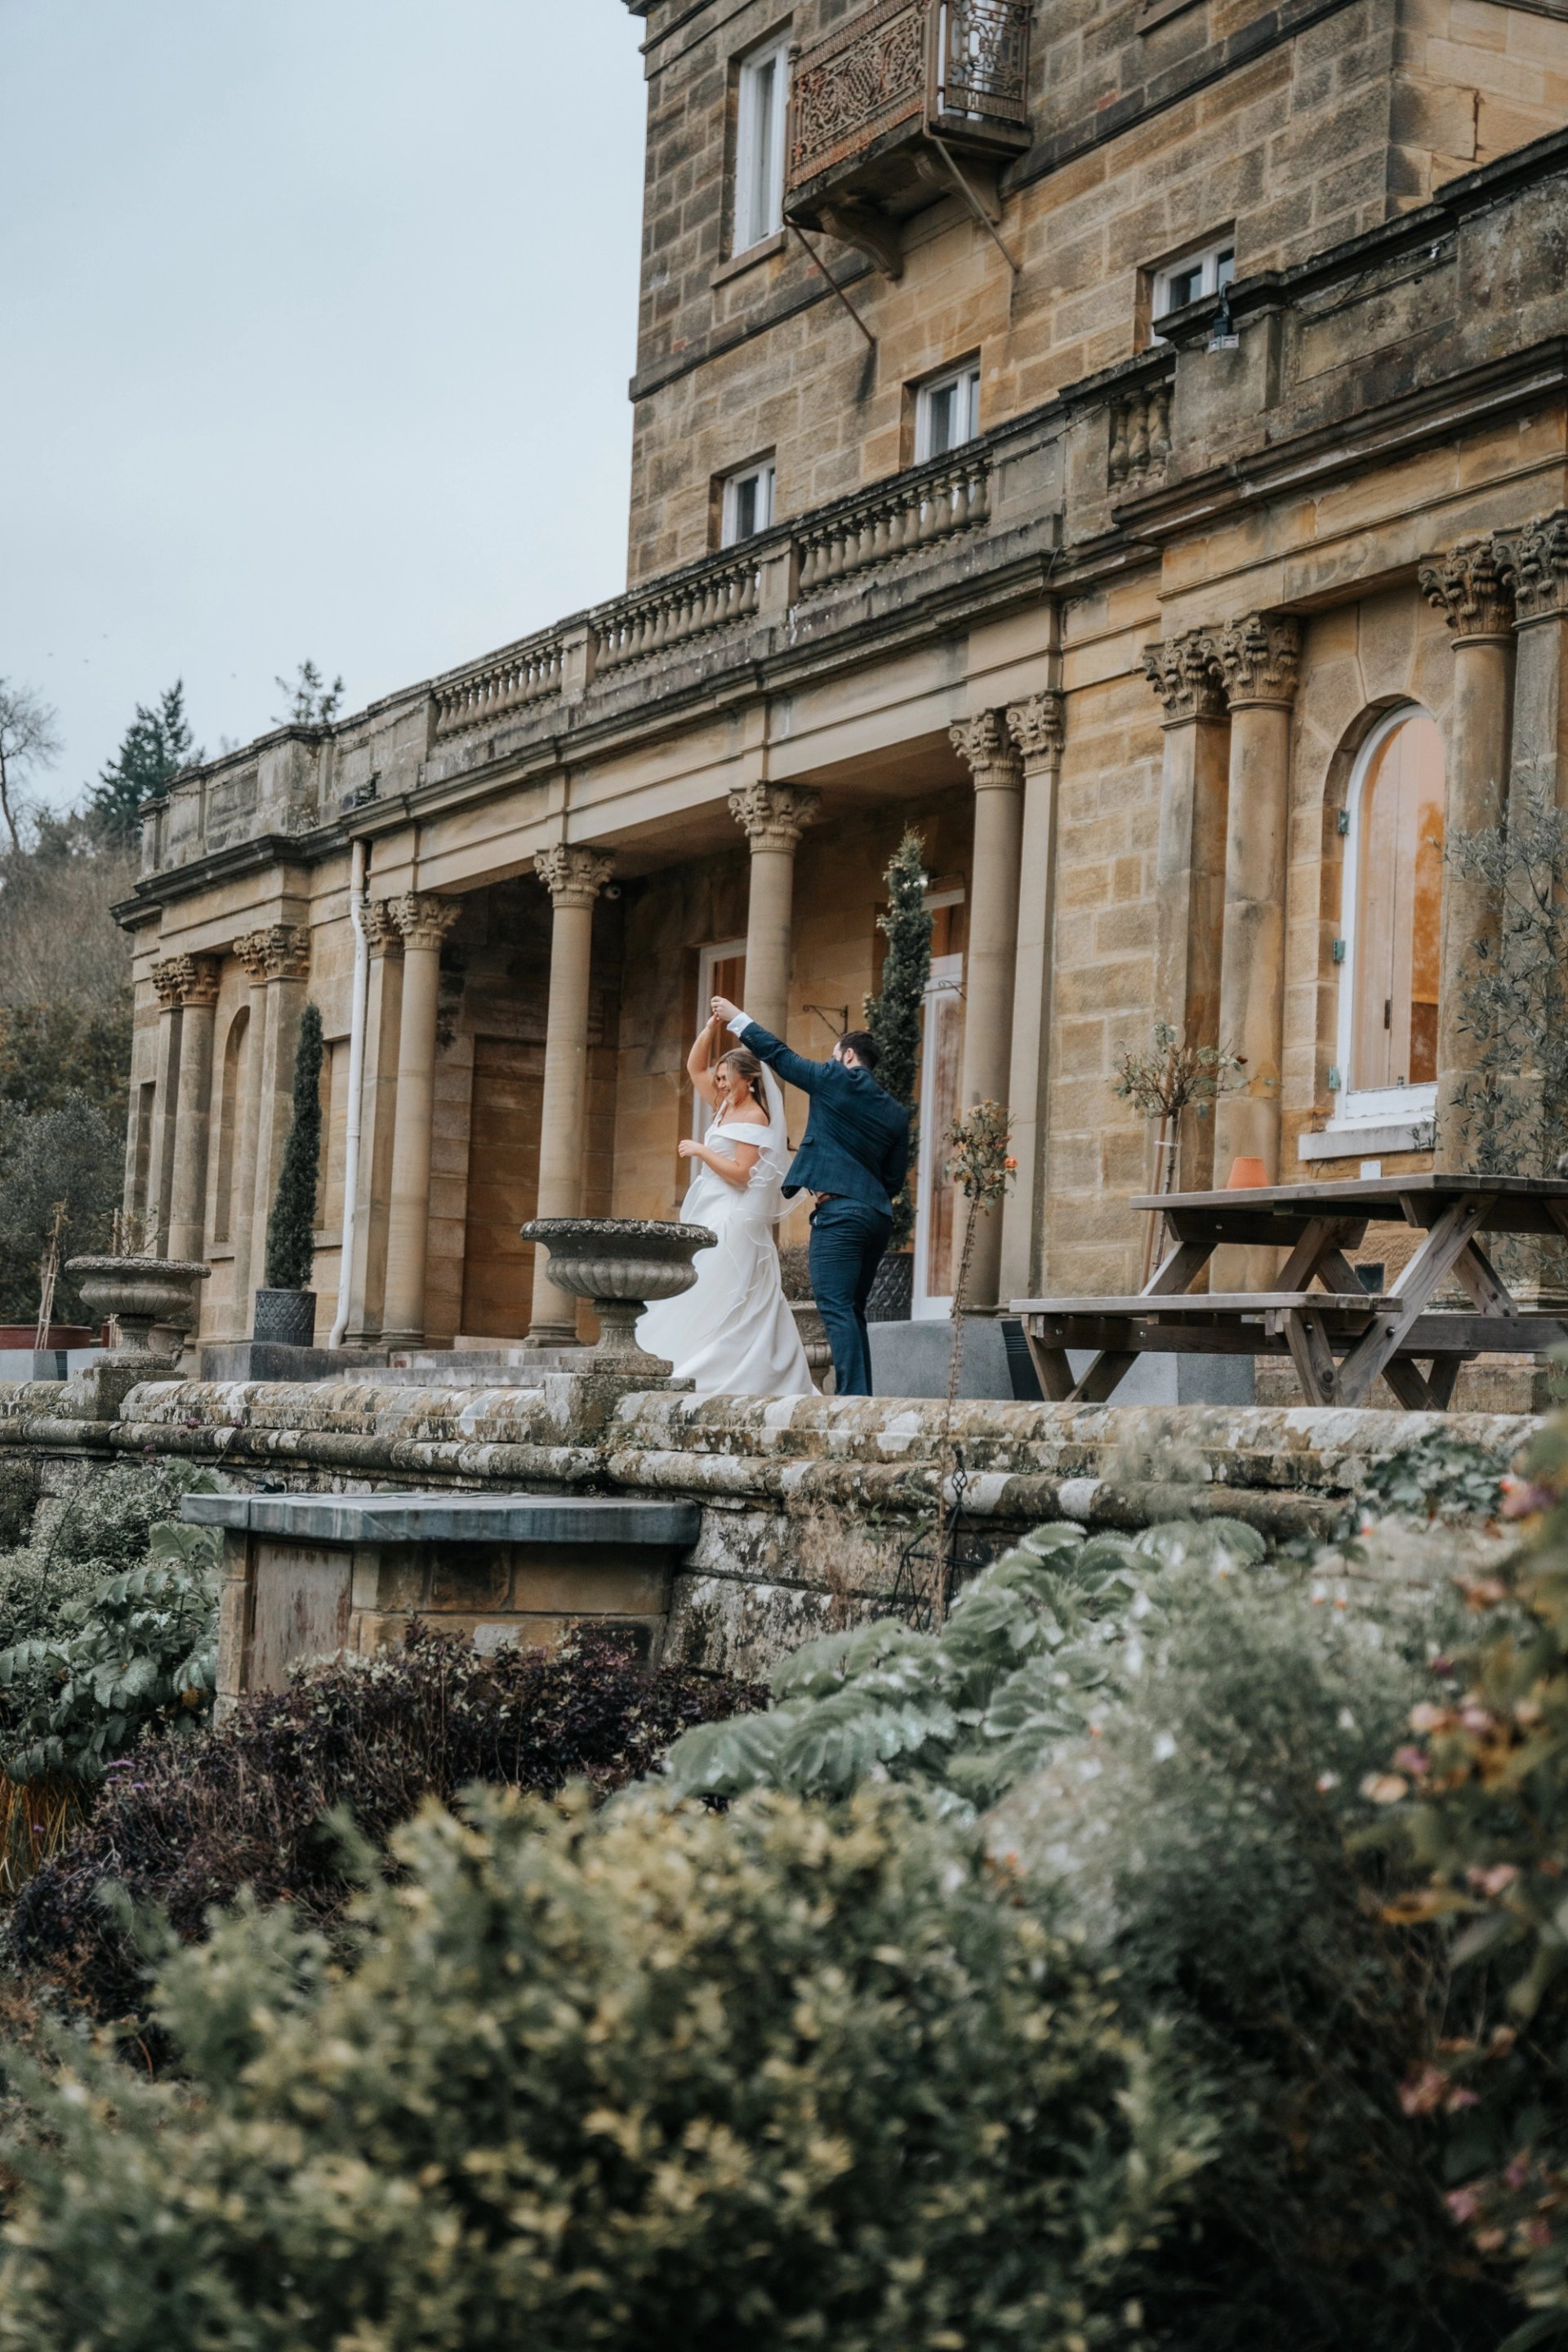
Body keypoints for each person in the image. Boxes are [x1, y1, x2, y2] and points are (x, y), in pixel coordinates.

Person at [710, 995, 910, 1398]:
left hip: (839, 1213)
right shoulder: (895, 1111)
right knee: (852, 1310)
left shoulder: (836, 1078)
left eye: (835, 1056)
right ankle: (861, 1397)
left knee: (835, 1307)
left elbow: (780, 1056)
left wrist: (737, 1020)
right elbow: (893, 1178)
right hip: (876, 1216)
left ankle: (852, 1402)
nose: (830, 1061)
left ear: (848, 1055)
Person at [636, 1013, 815, 1396]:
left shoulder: (753, 1115)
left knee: (726, 1291)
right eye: (717, 1079)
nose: (718, 1084)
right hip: (709, 1210)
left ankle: (733, 1370)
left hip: (732, 1216)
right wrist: (710, 1028)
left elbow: (740, 1174)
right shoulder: (723, 1107)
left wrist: (700, 1149)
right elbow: (693, 1066)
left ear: (748, 1079)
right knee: (700, 1289)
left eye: (725, 1078)